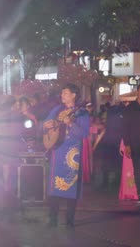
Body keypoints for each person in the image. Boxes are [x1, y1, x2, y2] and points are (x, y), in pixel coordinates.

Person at [43, 83, 90, 228]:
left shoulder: (82, 113)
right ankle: (53, 218)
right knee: (54, 186)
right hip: (57, 151)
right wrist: (46, 125)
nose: (62, 95)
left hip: (72, 154)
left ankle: (70, 219)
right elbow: (45, 123)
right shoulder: (57, 109)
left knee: (71, 186)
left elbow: (83, 133)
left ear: (73, 95)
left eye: (65, 93)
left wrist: (70, 123)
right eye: (62, 93)